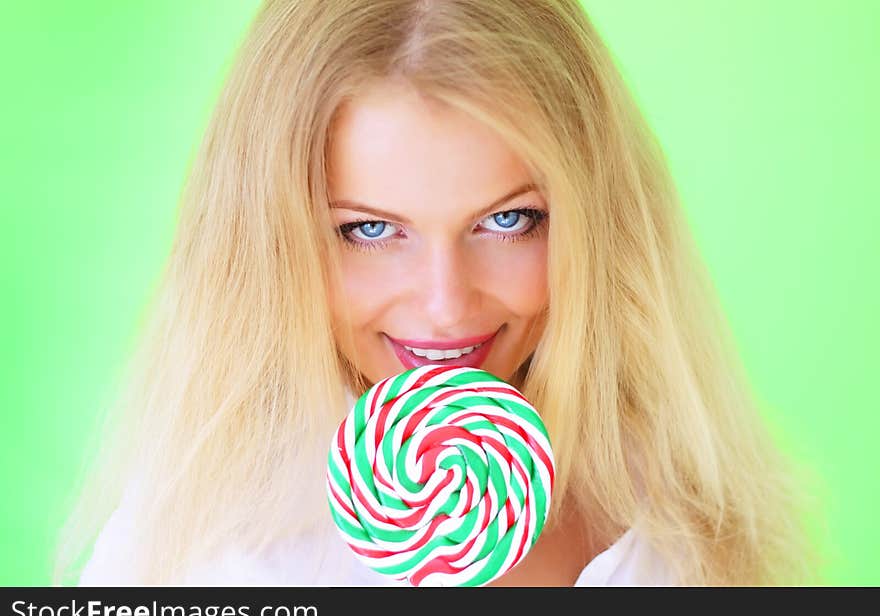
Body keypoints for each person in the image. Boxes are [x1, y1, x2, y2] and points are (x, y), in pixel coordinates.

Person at [54, 0, 819, 586]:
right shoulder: (199, 551)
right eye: (369, 231)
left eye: (509, 220)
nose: (447, 305)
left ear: (598, 222)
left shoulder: (681, 527)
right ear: (268, 245)